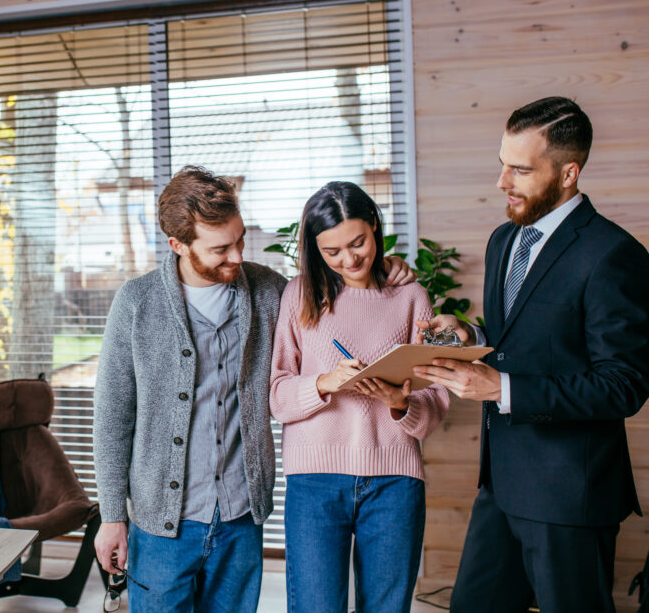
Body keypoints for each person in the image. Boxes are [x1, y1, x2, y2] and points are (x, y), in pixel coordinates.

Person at [93, 166, 415, 612]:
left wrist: (390, 268)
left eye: (240, 240)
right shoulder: (136, 302)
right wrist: (112, 516)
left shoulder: (269, 290)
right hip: (162, 526)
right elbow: (112, 418)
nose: (237, 256)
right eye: (221, 249)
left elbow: (345, 296)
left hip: (241, 522)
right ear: (178, 245)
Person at [413, 97, 649, 612]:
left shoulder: (615, 255)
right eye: (502, 164)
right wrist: (469, 333)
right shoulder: (503, 239)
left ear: (569, 172)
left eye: (520, 169)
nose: (503, 182)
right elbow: (523, 337)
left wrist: (501, 388)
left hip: (571, 496)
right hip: (500, 486)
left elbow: (624, 384)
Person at [270, 181, 450, 613]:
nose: (349, 259)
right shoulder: (299, 295)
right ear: (315, 249)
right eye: (332, 252)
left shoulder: (412, 297)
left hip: (395, 482)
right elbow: (277, 395)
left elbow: (437, 406)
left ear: (374, 225)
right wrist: (324, 383)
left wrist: (399, 403)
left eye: (358, 243)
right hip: (313, 482)